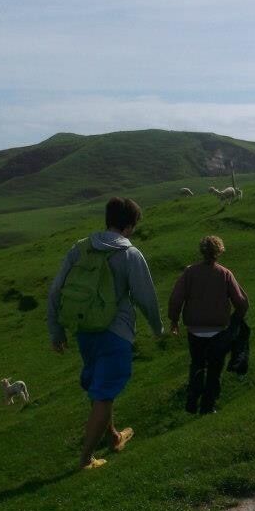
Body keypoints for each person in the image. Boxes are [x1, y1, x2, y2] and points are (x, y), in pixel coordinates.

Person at [47, 197, 164, 469]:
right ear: (128, 226)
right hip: (117, 332)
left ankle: (113, 437)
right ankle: (86, 459)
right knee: (104, 394)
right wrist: (157, 328)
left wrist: (56, 330)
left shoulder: (80, 248)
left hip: (85, 330)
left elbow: (56, 290)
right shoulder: (130, 254)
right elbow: (145, 296)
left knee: (100, 387)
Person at [168, 235, 248, 414]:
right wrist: (234, 323)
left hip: (195, 330)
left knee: (197, 364)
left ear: (202, 251)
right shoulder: (225, 274)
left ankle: (192, 399)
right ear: (219, 252)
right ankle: (208, 406)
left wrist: (174, 320)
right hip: (219, 331)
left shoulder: (190, 273)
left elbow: (176, 299)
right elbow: (241, 303)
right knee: (214, 369)